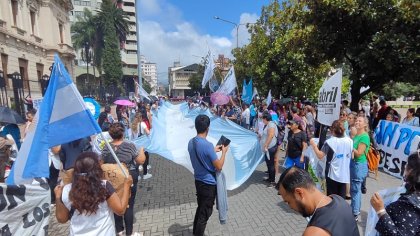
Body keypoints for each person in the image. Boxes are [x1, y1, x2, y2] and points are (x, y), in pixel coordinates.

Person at [54, 152, 133, 236]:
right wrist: (126, 186)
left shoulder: (67, 189)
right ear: (97, 169)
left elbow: (62, 219)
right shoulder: (104, 186)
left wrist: (58, 197)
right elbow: (120, 210)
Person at [278, 167, 359, 236]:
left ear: (299, 193)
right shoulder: (338, 199)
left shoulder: (314, 232)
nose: (290, 207)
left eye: (288, 202)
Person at [101, 123, 146, 236]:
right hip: (128, 177)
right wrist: (141, 151)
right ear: (123, 133)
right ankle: (129, 233)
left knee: (115, 202)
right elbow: (140, 161)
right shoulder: (129, 145)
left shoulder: (106, 147)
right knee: (128, 205)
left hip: (112, 178)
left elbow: (101, 162)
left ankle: (119, 230)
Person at [188, 114, 229, 236]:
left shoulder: (191, 142)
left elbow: (202, 154)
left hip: (198, 181)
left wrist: (213, 150)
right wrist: (224, 153)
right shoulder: (207, 145)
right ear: (208, 128)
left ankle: (195, 232)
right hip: (208, 184)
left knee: (200, 209)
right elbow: (219, 166)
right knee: (204, 214)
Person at [370, 152, 420, 236]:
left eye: (407, 164)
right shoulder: (411, 191)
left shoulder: (410, 203)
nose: (404, 166)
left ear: (411, 171)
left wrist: (380, 211)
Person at [309, 120, 353, 198]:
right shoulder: (350, 141)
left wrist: (314, 145)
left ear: (332, 131)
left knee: (332, 197)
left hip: (332, 173)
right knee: (341, 198)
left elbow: (320, 155)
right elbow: (351, 155)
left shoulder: (330, 142)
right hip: (344, 174)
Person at [351, 116, 370, 222]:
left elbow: (359, 154)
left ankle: (355, 213)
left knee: (356, 190)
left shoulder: (364, 137)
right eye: (356, 120)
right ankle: (353, 210)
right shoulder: (357, 135)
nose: (357, 122)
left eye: (360, 121)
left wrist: (349, 145)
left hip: (359, 166)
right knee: (354, 190)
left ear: (365, 125)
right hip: (354, 164)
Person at [260, 111, 278, 186]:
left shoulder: (271, 125)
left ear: (265, 119)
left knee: (271, 164)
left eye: (262, 119)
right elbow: (266, 135)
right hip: (268, 147)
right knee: (268, 163)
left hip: (270, 147)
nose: (262, 121)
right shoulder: (268, 124)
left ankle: (273, 181)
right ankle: (270, 178)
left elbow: (270, 135)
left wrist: (266, 145)